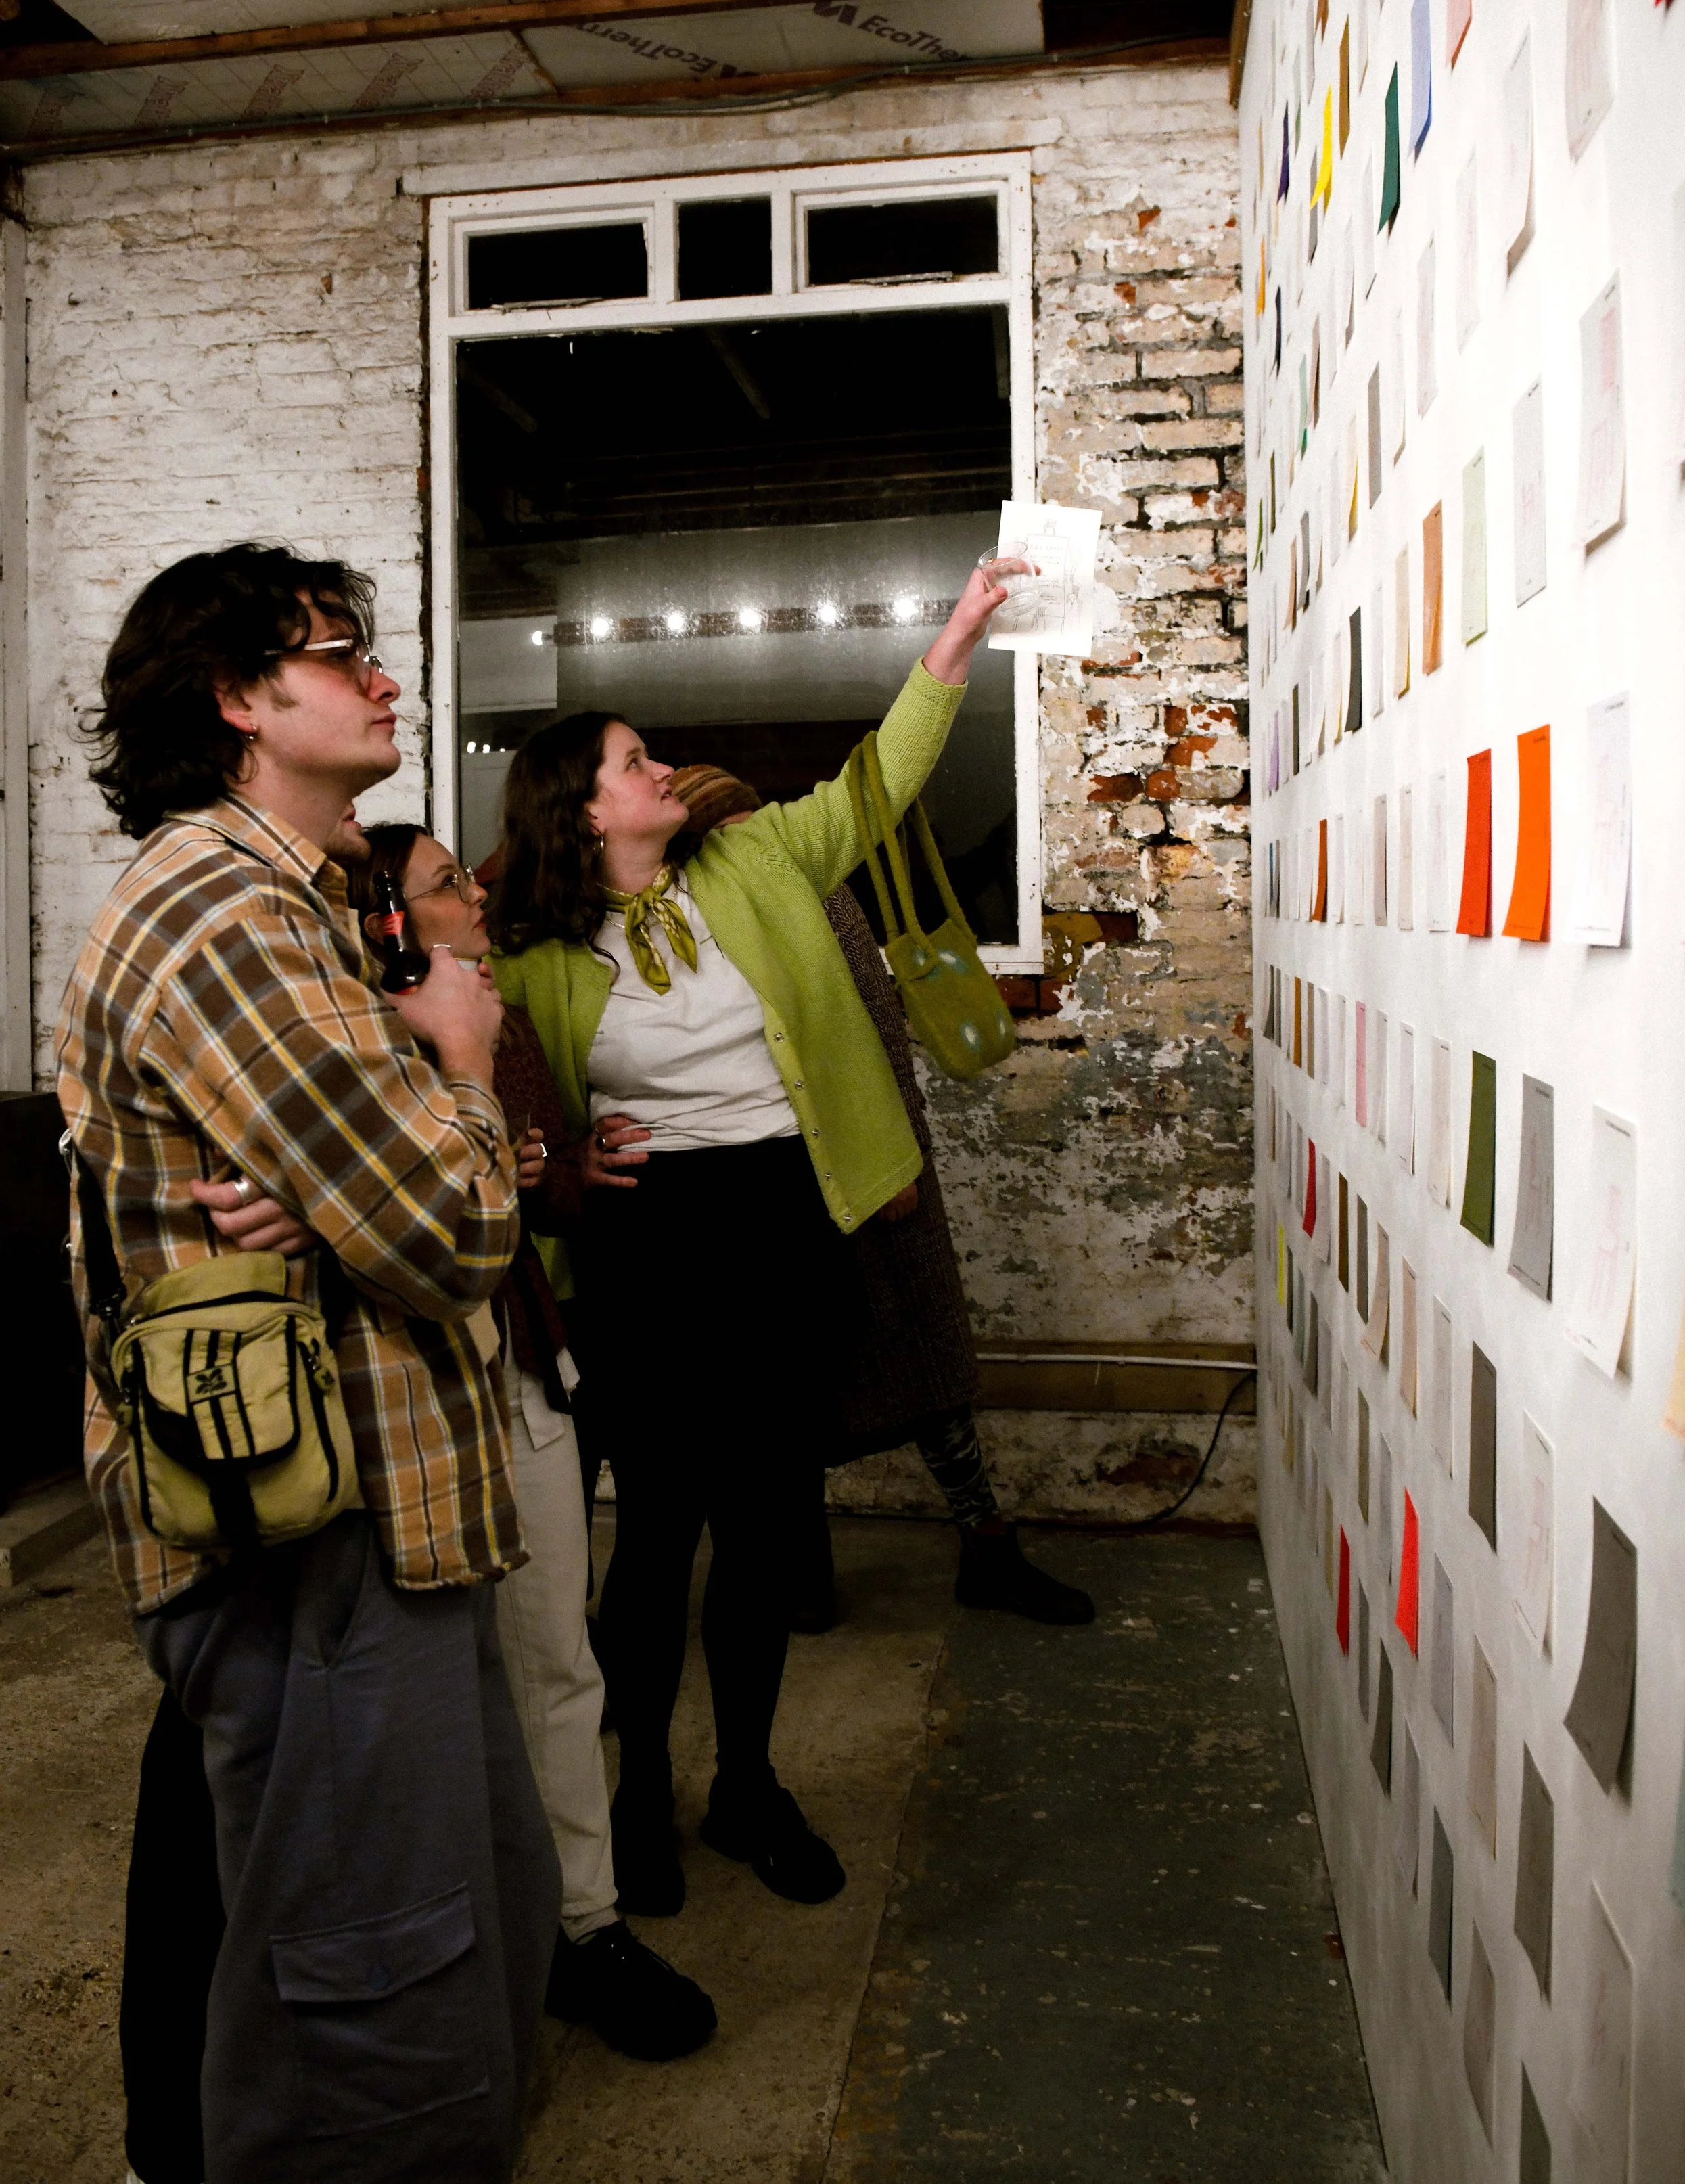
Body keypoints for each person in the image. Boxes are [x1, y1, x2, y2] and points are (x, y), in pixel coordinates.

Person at [59, 543, 559, 2184]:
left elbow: (381, 1197)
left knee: (443, 1942)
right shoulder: (224, 906)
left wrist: (362, 1179)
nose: (384, 675)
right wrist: (464, 1065)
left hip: (369, 1519)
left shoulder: (292, 898)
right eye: (344, 651)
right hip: (312, 1539)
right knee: (366, 2014)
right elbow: (450, 1226)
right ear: (235, 697)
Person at [488, 561, 1018, 1921]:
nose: (660, 768)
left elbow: (879, 779)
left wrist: (955, 635)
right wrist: (564, 1159)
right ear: (581, 807)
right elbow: (506, 1097)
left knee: (769, 1524)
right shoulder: (533, 951)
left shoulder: (759, 857)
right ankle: (637, 1799)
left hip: (783, 1222)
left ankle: (747, 1787)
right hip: (649, 1250)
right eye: (631, 760)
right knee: (656, 1535)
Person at [344, 823, 717, 2061]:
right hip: (397, 1397)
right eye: (448, 888)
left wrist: (572, 1164)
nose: (478, 905)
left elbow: (540, 1194)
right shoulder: (344, 1038)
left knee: (560, 1661)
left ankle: (587, 1927)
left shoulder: (494, 1020)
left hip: (520, 1368)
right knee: (428, 1695)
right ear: (385, 925)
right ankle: (454, 1944)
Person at [665, 765, 1094, 1631]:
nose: (760, 836)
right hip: (781, 1178)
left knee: (921, 1369)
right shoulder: (709, 913)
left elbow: (871, 1036)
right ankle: (814, 1568)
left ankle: (977, 1546)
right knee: (804, 1384)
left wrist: (896, 1166)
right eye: (739, 825)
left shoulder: (810, 895)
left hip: (865, 1168)